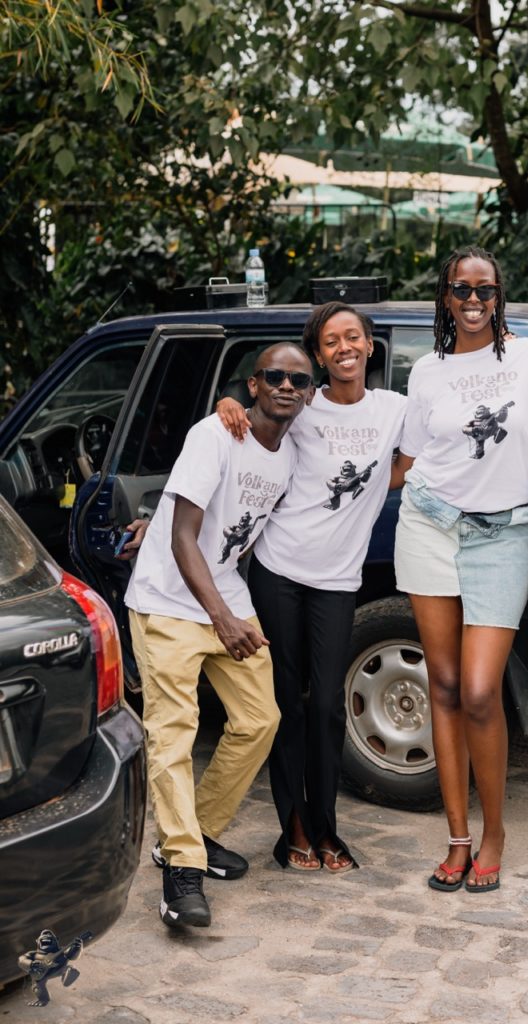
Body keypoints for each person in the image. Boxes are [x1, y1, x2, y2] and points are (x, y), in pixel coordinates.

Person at [391, 245, 528, 893]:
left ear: (500, 296)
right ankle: (457, 838)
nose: (473, 301)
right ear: (445, 298)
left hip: (504, 534)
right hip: (429, 524)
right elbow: (406, 461)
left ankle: (494, 832)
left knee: (477, 691)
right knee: (442, 686)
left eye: (485, 290)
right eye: (461, 290)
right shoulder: (427, 371)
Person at [125, 343, 314, 928]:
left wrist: (230, 614)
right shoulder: (214, 435)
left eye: (298, 380)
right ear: (253, 385)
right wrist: (224, 620)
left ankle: (194, 832)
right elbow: (183, 536)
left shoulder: (291, 453)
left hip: (227, 597)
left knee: (260, 720)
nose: (286, 386)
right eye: (274, 376)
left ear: (309, 394)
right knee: (173, 734)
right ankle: (181, 871)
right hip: (167, 601)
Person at [217, 302, 406, 873]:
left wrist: (368, 489)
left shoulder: (394, 409)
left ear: (369, 345)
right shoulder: (300, 403)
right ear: (319, 355)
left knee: (326, 706)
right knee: (286, 705)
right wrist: (227, 401)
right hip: (278, 569)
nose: (344, 348)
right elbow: (247, 420)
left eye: (353, 337)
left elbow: (419, 455)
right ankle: (294, 826)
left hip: (338, 579)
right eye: (330, 341)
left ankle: (327, 827)